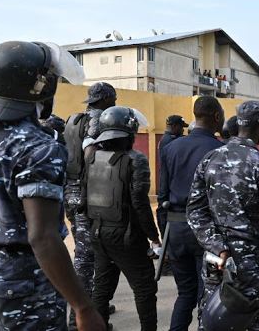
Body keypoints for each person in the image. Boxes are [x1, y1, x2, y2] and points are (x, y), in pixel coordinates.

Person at [0, 41, 105, 330]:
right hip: (19, 278)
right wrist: (83, 307)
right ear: (40, 86)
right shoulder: (38, 146)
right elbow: (42, 237)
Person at [188, 101, 259, 330]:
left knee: (213, 321)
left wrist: (217, 246)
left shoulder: (210, 159)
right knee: (256, 322)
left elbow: (195, 212)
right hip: (249, 262)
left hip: (215, 261)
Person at [86, 106, 160, 330]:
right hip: (126, 235)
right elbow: (139, 203)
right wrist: (153, 236)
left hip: (98, 232)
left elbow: (83, 198)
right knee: (145, 288)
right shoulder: (135, 159)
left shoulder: (91, 156)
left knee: (102, 287)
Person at [159, 97, 225, 330]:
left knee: (185, 293)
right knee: (208, 296)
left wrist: (163, 236)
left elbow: (162, 196)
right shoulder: (220, 150)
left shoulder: (170, 148)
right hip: (207, 232)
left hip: (175, 230)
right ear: (217, 117)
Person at [63, 82, 117, 328]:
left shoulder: (73, 120)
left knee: (85, 254)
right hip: (88, 196)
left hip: (70, 193)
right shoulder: (99, 121)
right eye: (113, 99)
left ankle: (91, 306)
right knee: (87, 258)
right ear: (105, 99)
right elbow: (90, 155)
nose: (115, 103)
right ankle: (78, 319)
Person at [156, 114, 189, 277]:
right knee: (168, 231)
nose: (183, 129)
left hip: (165, 186)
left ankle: (166, 260)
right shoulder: (171, 142)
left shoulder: (166, 139)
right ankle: (166, 262)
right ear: (175, 125)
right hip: (168, 188)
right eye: (181, 126)